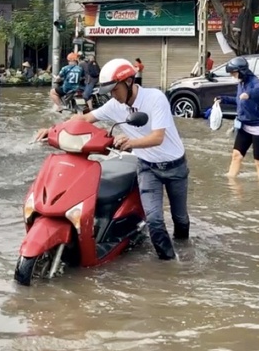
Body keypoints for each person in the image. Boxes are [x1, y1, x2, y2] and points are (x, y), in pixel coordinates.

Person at [37, 58, 189, 261]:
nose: (112, 95)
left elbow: (157, 137)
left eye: (114, 90)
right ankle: (169, 263)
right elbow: (83, 119)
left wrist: (131, 142)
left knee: (180, 218)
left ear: (128, 82)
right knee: (155, 220)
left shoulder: (155, 98)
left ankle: (185, 251)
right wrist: (53, 130)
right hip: (147, 168)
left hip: (174, 166)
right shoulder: (115, 105)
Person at [215, 56, 259, 180]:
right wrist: (223, 99)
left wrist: (248, 94)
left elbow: (257, 91)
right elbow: (238, 100)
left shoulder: (253, 81)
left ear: (242, 71)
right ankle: (230, 182)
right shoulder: (241, 83)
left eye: (234, 73)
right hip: (244, 125)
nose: (232, 75)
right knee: (236, 155)